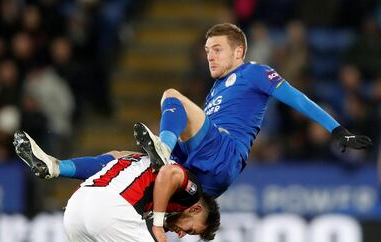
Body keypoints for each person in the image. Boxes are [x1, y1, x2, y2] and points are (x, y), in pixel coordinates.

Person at [134, 22, 372, 198]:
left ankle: (162, 150)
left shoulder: (254, 73)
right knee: (127, 160)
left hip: (223, 154)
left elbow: (299, 100)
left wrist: (337, 129)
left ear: (238, 52)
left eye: (217, 49)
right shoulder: (215, 89)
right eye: (207, 51)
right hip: (201, 164)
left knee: (172, 96)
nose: (210, 57)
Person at [13, 131, 220, 242]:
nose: (182, 234)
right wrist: (158, 225)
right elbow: (169, 173)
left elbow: (113, 156)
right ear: (196, 209)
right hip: (112, 207)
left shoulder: (138, 161)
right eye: (191, 229)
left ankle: (57, 166)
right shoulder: (192, 193)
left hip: (77, 206)